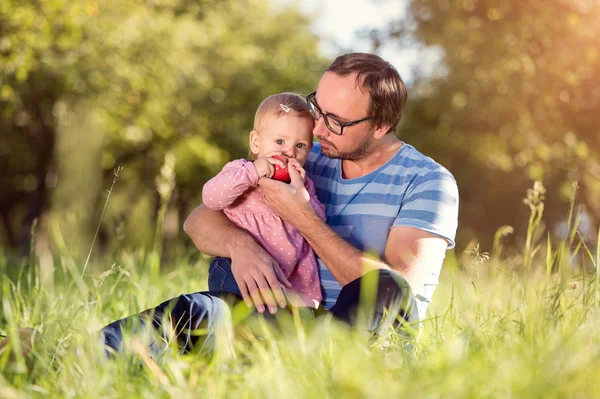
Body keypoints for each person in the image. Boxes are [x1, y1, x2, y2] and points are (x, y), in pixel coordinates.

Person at [101, 52, 459, 355]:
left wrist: (301, 216)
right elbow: (199, 219)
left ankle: (320, 360)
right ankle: (75, 354)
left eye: (335, 122)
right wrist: (241, 246)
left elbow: (398, 295)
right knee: (197, 312)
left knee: (388, 286)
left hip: (363, 344)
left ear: (380, 125)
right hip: (283, 321)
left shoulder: (428, 182)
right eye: (319, 108)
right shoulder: (304, 156)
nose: (317, 130)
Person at [202, 92, 326, 309]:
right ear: (256, 142)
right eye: (279, 141)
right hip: (237, 269)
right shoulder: (241, 171)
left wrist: (302, 200)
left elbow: (318, 223)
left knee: (285, 325)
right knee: (243, 313)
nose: (289, 151)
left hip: (288, 280)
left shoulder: (303, 185)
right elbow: (211, 198)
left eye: (300, 145)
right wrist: (252, 172)